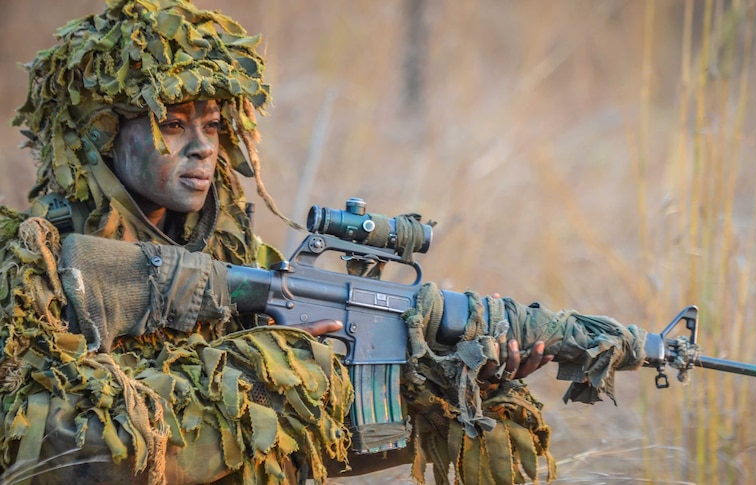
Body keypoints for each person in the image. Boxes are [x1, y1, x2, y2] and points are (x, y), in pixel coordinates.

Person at [0, 1, 648, 484]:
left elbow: (330, 429)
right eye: (172, 124)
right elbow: (53, 449)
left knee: (481, 407)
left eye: (214, 126)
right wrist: (265, 376)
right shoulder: (37, 262)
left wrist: (459, 372)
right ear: (101, 131)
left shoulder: (234, 259)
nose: (201, 147)